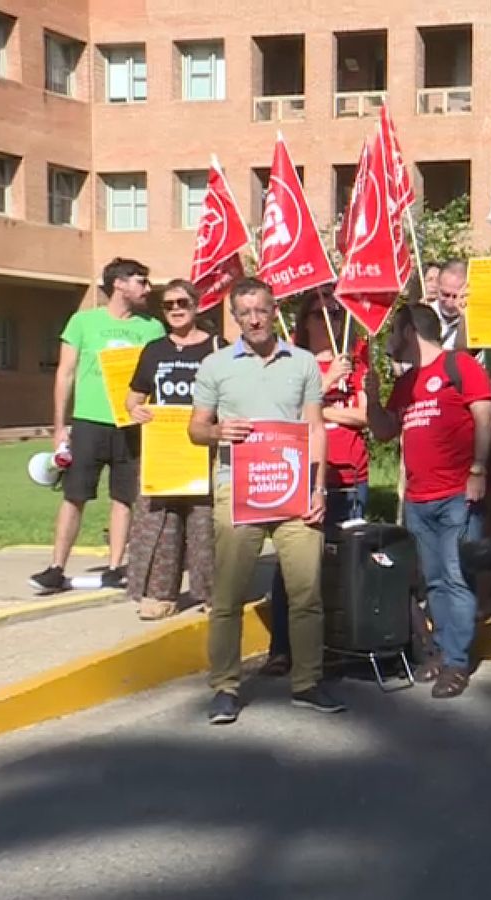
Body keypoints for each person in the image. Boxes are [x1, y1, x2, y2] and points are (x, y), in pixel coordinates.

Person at [189, 279, 339, 725]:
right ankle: (225, 687)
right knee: (228, 596)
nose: (254, 319)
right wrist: (218, 431)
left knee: (306, 593)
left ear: (275, 312)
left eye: (261, 310)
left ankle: (307, 682)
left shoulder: (303, 362)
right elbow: (196, 428)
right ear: (235, 318)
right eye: (245, 312)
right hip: (239, 489)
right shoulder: (215, 365)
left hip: (294, 488)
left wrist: (318, 488)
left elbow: (315, 428)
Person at [366, 304, 491, 699]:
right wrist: (372, 397)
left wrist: (478, 469)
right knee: (435, 579)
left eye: (394, 331)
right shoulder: (407, 381)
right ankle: (441, 648)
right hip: (419, 498)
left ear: (409, 332)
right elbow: (385, 430)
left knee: (456, 577)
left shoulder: (460, 365)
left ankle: (457, 662)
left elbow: (485, 417)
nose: (390, 340)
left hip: (456, 493)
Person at [30, 258, 165, 594]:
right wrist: (60, 425)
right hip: (88, 421)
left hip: (131, 424)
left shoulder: (153, 328)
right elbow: (65, 374)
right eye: (141, 281)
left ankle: (116, 567)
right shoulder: (83, 322)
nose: (148, 289)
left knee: (124, 497)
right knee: (74, 495)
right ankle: (56, 567)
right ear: (119, 284)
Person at [263, 291, 371, 676]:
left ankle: (336, 644)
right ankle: (281, 647)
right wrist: (326, 385)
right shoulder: (292, 361)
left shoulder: (355, 360)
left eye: (336, 313)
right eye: (319, 314)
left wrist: (321, 411)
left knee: (345, 565)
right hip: (303, 474)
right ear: (304, 322)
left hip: (350, 476)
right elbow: (285, 412)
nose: (329, 320)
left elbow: (364, 416)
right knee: (292, 566)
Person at [122, 280, 218, 620]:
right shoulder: (154, 350)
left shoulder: (217, 348)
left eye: (182, 303)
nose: (176, 310)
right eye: (168, 305)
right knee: (160, 523)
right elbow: (132, 398)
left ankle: (212, 595)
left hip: (205, 449)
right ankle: (161, 594)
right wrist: (136, 411)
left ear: (196, 305)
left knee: (205, 525)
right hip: (163, 450)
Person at [434, 260, 468, 349]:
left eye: (456, 296)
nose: (450, 302)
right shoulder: (422, 315)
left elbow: (464, 353)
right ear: (437, 286)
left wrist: (464, 318)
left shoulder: (474, 322)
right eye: (445, 294)